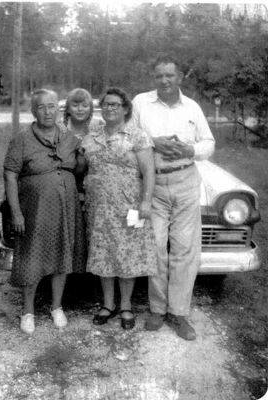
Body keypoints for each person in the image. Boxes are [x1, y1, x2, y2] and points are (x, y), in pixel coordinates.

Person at [132, 55, 215, 340]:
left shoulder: (192, 107)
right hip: (154, 181)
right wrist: (153, 142)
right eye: (159, 76)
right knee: (155, 246)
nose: (164, 80)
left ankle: (178, 313)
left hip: (185, 179)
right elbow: (129, 133)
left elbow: (209, 143)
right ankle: (157, 309)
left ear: (180, 77)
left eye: (170, 75)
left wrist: (189, 151)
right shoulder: (141, 103)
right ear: (154, 78)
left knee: (184, 249)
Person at [3, 88, 86, 334]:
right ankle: (27, 311)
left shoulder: (69, 137)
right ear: (34, 111)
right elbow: (10, 176)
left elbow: (78, 171)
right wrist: (16, 212)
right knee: (32, 256)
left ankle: (56, 307)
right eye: (42, 107)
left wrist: (81, 161)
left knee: (62, 254)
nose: (48, 112)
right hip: (34, 209)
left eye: (52, 106)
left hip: (65, 208)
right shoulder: (21, 139)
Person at [78, 87, 158, 330]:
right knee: (104, 255)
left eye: (116, 104)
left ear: (125, 109)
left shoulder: (138, 136)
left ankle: (125, 306)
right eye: (107, 104)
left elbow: (149, 172)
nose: (110, 108)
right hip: (98, 207)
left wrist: (146, 201)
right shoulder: (92, 136)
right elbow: (82, 166)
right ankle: (108, 304)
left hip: (130, 207)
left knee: (127, 256)